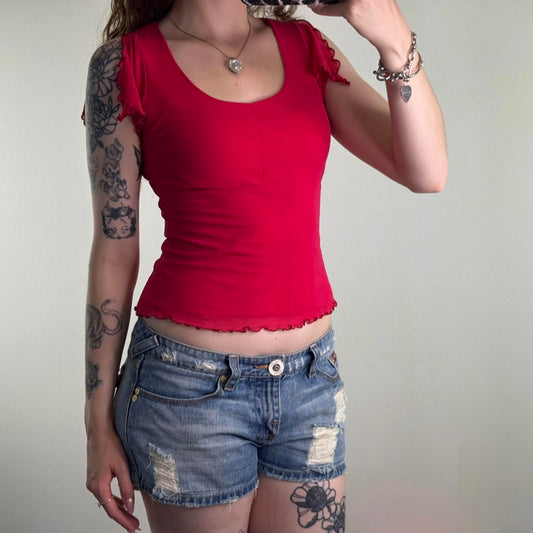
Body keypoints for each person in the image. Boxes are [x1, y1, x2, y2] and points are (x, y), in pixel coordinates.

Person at [82, 0, 447, 531]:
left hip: (311, 383)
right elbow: (115, 249)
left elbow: (427, 171)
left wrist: (393, 36)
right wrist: (97, 426)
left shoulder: (306, 48)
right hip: (185, 391)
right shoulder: (126, 65)